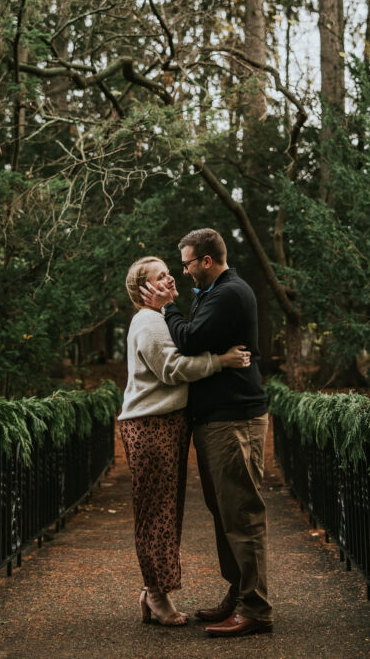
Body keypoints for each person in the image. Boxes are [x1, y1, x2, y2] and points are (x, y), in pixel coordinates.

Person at [141, 228, 273, 637]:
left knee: (242, 514)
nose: (183, 271)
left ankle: (256, 610)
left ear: (208, 261)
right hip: (217, 419)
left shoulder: (229, 293)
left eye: (187, 263)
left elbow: (189, 340)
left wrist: (166, 309)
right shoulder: (213, 293)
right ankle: (238, 594)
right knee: (224, 513)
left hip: (235, 419)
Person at [119, 255, 251, 627]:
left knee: (164, 510)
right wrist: (221, 360)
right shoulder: (148, 321)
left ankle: (152, 592)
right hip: (151, 425)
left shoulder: (159, 319)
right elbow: (173, 369)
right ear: (144, 291)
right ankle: (158, 596)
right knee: (157, 514)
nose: (171, 278)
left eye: (169, 272)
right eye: (161, 276)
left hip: (164, 423)